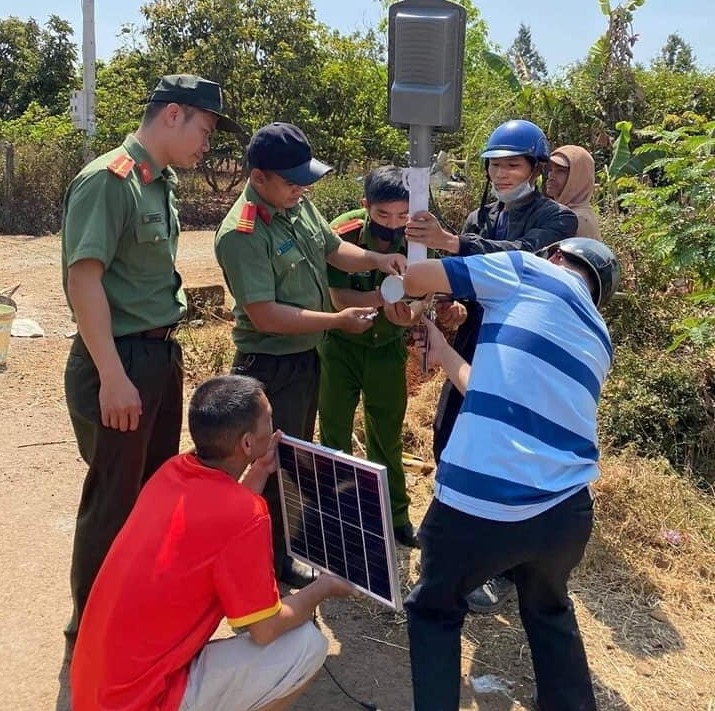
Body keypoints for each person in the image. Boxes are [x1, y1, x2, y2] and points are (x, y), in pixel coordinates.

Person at [61, 74, 241, 651]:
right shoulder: (109, 181)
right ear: (173, 115)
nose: (207, 145)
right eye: (205, 130)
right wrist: (112, 376)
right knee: (114, 497)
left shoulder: (156, 183)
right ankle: (90, 627)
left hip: (157, 352)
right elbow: (82, 280)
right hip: (120, 357)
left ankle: (131, 608)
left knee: (151, 494)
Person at [401, 238, 620, 711]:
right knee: (548, 609)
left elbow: (417, 279)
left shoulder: (528, 268)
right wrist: (440, 349)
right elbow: (485, 388)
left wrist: (413, 291)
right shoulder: (599, 338)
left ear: (556, 255)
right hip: (565, 512)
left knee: (433, 611)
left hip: (478, 502)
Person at [70, 374, 356, 711]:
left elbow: (221, 520)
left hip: (97, 689)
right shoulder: (247, 516)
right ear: (247, 444)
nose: (275, 429)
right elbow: (265, 628)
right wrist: (323, 587)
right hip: (144, 700)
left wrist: (259, 472)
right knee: (306, 645)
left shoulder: (172, 472)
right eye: (269, 421)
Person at [215, 123, 406, 587]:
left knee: (289, 461)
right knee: (267, 463)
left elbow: (334, 248)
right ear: (259, 178)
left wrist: (377, 261)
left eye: (305, 180)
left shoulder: (295, 205)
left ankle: (283, 552)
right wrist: (339, 321)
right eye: (291, 181)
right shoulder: (242, 234)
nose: (301, 189)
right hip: (272, 366)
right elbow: (266, 315)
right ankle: (262, 560)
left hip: (305, 360)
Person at [405, 118, 578, 612]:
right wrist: (444, 300)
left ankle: (503, 565)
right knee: (449, 428)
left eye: (513, 165)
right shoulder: (484, 216)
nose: (502, 174)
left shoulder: (558, 220)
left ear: (536, 169)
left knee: (506, 447)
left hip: (523, 347)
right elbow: (462, 277)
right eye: (495, 166)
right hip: (478, 336)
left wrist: (453, 245)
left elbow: (522, 261)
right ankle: (455, 528)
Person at [318, 166, 426, 548]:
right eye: (382, 215)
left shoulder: (418, 238)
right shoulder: (342, 234)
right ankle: (340, 516)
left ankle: (395, 515)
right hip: (341, 347)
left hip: (386, 349)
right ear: (366, 206)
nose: (393, 225)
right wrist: (384, 298)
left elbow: (422, 296)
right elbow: (340, 300)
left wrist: (408, 314)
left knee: (387, 435)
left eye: (402, 215)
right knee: (335, 432)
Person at [545, 144, 602, 239]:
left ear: (578, 177)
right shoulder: (571, 213)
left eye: (560, 171)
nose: (551, 176)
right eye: (550, 170)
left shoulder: (575, 219)